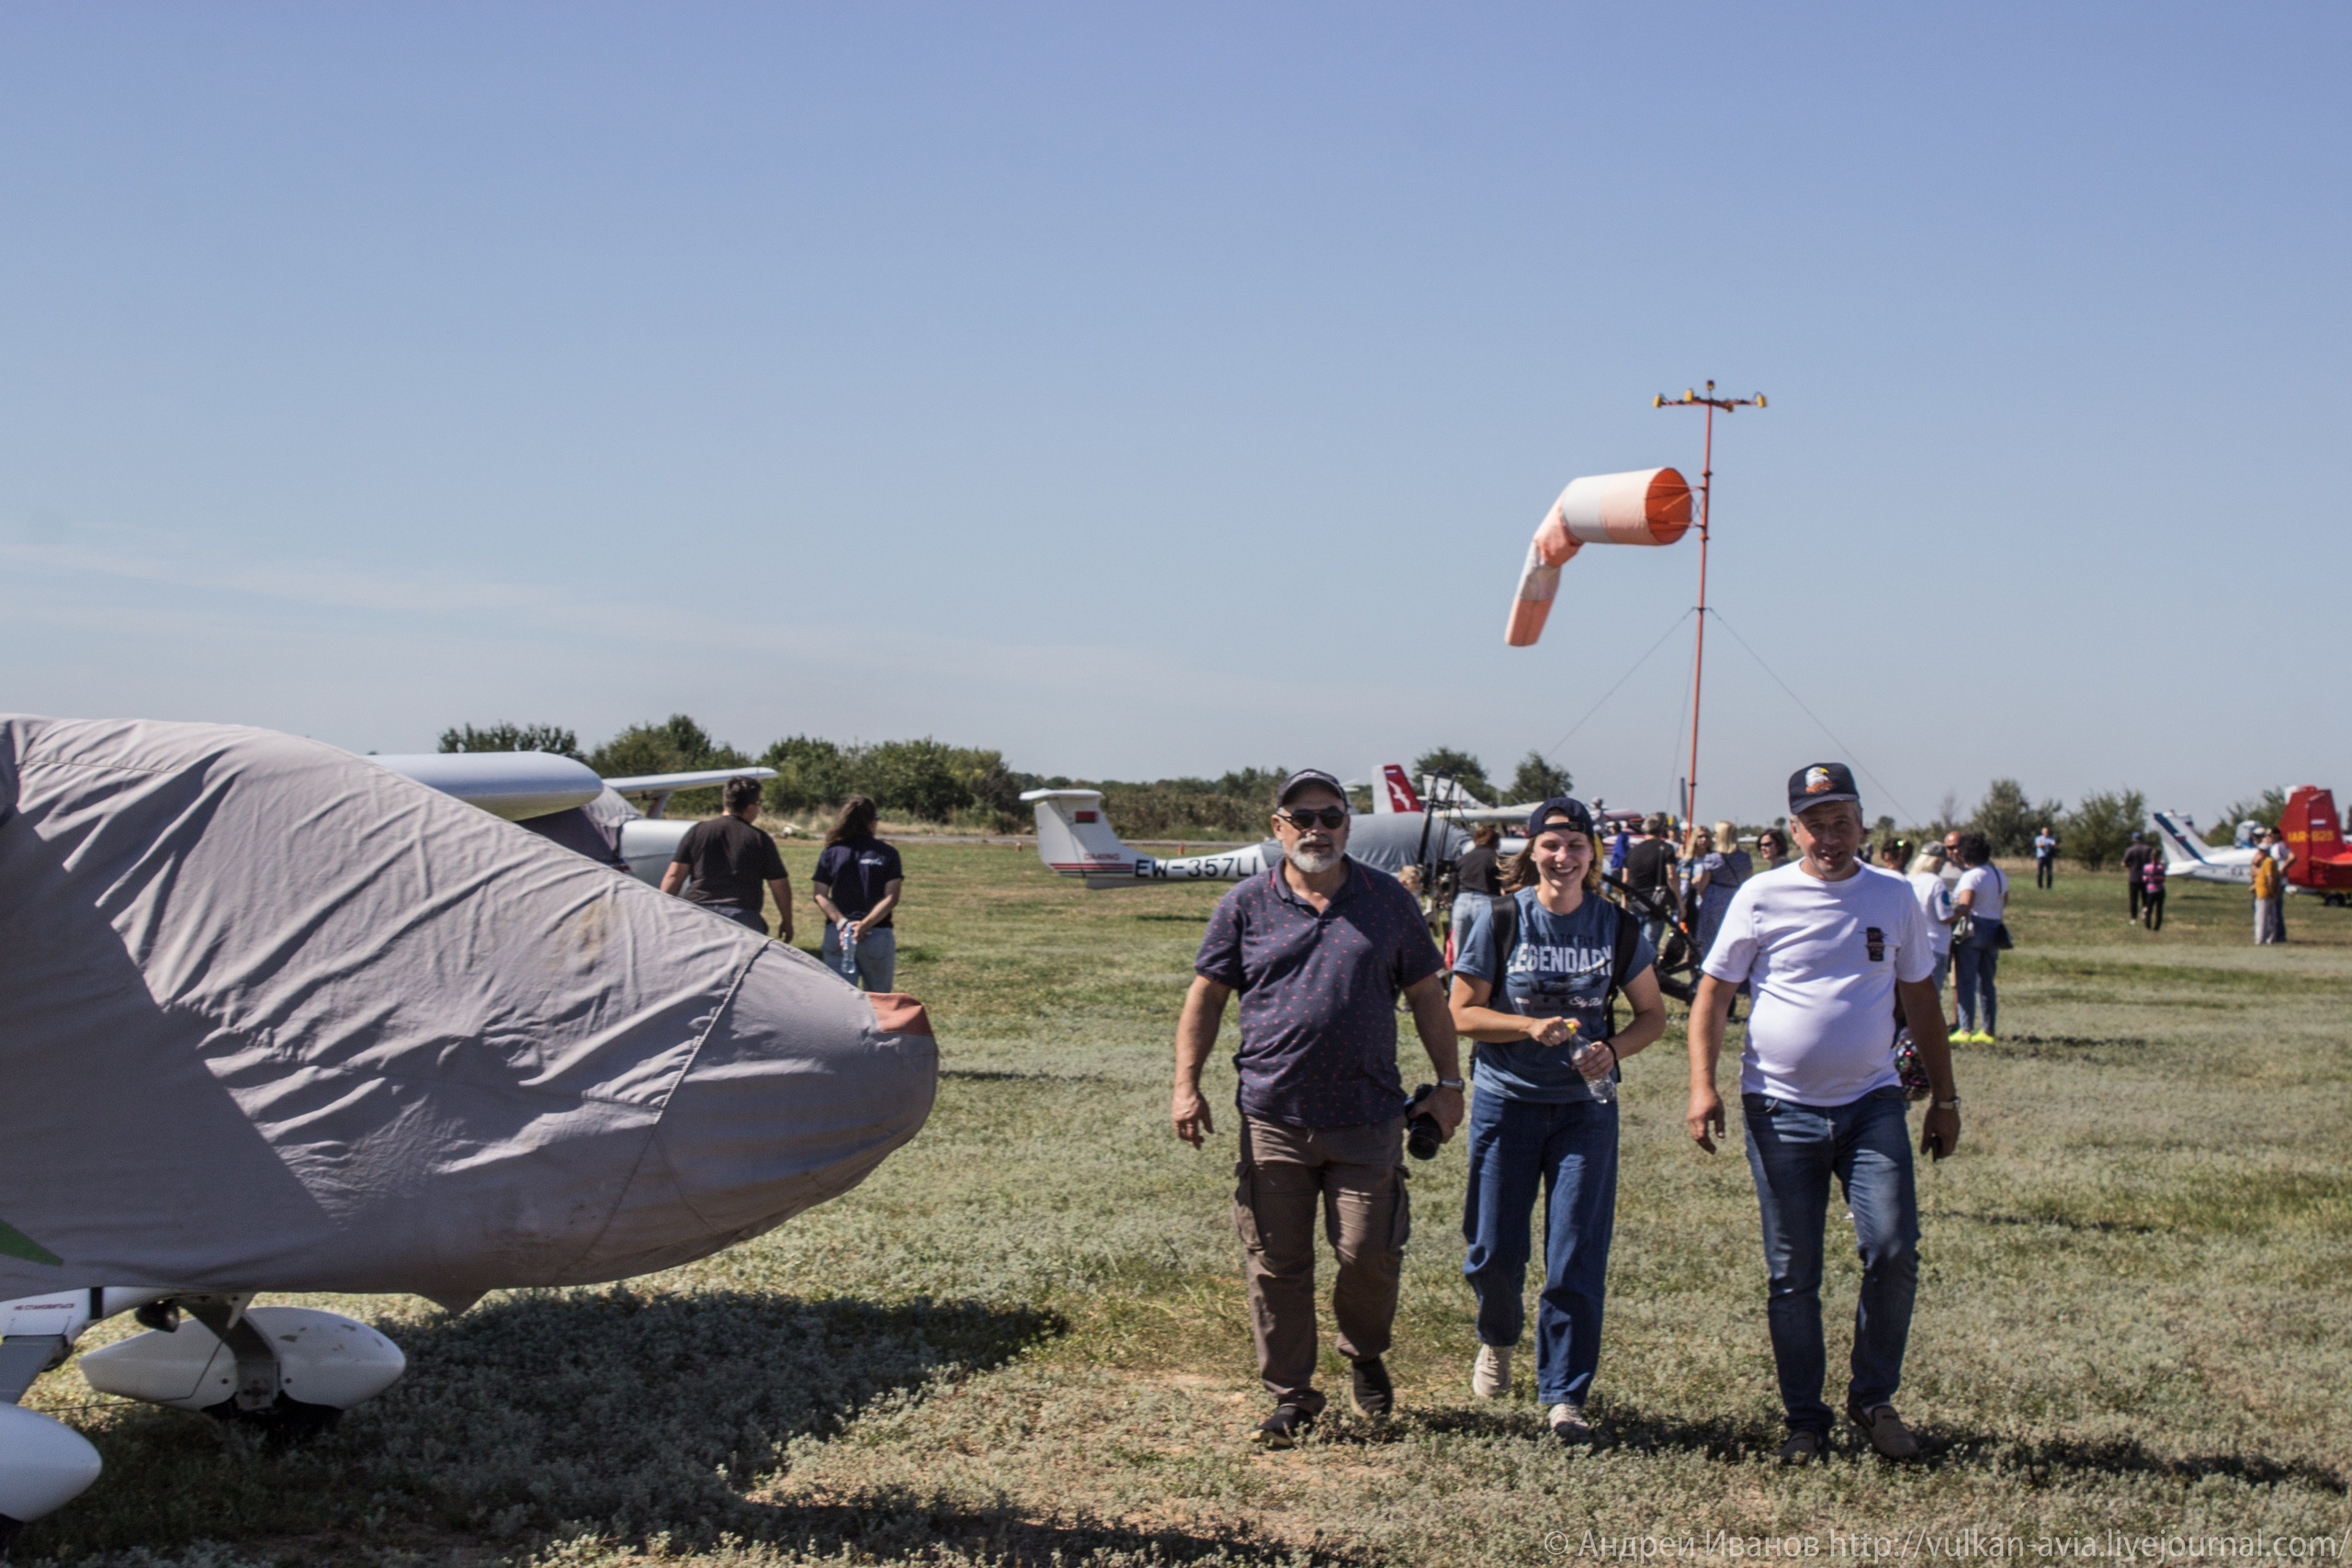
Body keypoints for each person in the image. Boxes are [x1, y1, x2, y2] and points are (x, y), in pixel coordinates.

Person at [1174, 769, 1464, 1447]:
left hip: (1368, 1115)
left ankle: (1363, 1350)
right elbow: (1207, 997)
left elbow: (1426, 994)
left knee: (1368, 1251)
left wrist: (1450, 1084)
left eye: (1330, 815)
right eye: (1300, 816)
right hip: (1274, 1113)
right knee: (1276, 1260)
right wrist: (1187, 1082)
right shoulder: (1245, 904)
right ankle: (1292, 1395)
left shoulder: (1387, 899)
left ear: (1347, 825)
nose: (1316, 828)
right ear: (1277, 825)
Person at [1686, 762, 1961, 1466]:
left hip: (1873, 1103)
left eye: (1843, 822)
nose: (1830, 837)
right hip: (1779, 1108)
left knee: (1894, 1248)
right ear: (1793, 829)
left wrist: (1947, 1097)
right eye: (1816, 824)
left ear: (1863, 824)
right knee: (1792, 1270)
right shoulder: (1760, 894)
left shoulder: (1894, 896)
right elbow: (1712, 996)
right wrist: (1702, 1086)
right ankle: (1803, 1420)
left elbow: (1923, 1002)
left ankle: (1872, 1399)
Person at [1449, 798, 1665, 1442]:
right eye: (1550, 845)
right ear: (1531, 852)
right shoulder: (1501, 917)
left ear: (1593, 854)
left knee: (1575, 1251)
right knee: (1492, 1249)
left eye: (1575, 845)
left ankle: (1565, 1395)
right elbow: (1459, 1011)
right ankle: (1498, 1334)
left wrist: (1613, 1049)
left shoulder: (1617, 927)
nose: (1562, 857)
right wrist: (1524, 1025)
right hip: (1506, 1100)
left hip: (1584, 1110)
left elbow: (1652, 1014)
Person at [660, 776, 794, 939]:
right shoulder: (759, 839)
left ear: (726, 802)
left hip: (697, 915)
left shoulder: (698, 831)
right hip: (742, 916)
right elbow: (779, 884)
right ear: (751, 807)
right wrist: (787, 920)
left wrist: (660, 912)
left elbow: (674, 876)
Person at [812, 795, 904, 991]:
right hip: (876, 935)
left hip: (838, 935)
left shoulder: (831, 852)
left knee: (839, 1003)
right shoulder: (888, 853)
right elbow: (891, 897)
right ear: (872, 821)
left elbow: (820, 894)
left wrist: (843, 923)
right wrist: (864, 925)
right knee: (879, 1002)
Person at [1949, 832, 2008, 1043]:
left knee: (1966, 981)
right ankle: (1988, 1029)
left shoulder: (1971, 876)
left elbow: (1966, 904)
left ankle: (1965, 1029)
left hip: (1974, 930)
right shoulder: (1999, 874)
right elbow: (2004, 901)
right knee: (1987, 983)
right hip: (1994, 929)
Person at [1693, 819, 1751, 964]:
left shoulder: (1713, 858)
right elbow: (1748, 879)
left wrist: (1700, 894)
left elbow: (1702, 886)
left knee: (1710, 940)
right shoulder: (1744, 857)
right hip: (1736, 897)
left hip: (1714, 899)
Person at [1905, 847, 1957, 1006]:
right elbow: (1945, 917)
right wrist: (1961, 910)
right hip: (1936, 944)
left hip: (1912, 944)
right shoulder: (1936, 883)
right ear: (1936, 862)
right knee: (1932, 994)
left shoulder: (1909, 880)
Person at [1622, 813, 1677, 953]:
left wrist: (1624, 905)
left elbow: (1625, 881)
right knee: (1650, 947)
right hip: (1655, 906)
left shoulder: (1632, 852)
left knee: (1632, 946)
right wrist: (1679, 902)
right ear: (1661, 830)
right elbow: (1671, 876)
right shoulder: (1666, 849)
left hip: (1634, 904)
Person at [1452, 824, 1504, 953]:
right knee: (1485, 950)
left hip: (1462, 902)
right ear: (1495, 842)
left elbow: (1454, 884)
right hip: (1485, 902)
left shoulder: (1462, 858)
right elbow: (1506, 884)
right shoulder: (1496, 858)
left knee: (1460, 952)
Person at [2253, 838, 2286, 943]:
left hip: (2264, 893)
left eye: (2261, 851)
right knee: (2271, 918)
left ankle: (2260, 939)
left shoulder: (2268, 861)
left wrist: (2272, 891)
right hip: (2266, 892)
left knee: (2262, 918)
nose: (2259, 852)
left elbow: (2270, 877)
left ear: (2266, 852)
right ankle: (2270, 939)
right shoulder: (2268, 862)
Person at [2120, 831, 2152, 923]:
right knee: (2145, 898)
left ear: (2133, 839)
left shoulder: (2130, 850)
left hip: (2134, 877)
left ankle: (2133, 918)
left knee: (2134, 899)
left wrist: (2131, 865)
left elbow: (2124, 863)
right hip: (2146, 877)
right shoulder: (2148, 849)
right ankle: (2145, 913)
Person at [2140, 851, 2166, 931]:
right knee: (2159, 909)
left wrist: (2149, 877)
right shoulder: (2161, 868)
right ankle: (2157, 926)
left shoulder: (2146, 867)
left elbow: (2144, 879)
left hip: (2150, 890)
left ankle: (2148, 925)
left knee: (2149, 908)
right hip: (2160, 889)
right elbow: (2163, 879)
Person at [2033, 826, 2058, 890]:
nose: (2046, 833)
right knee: (2040, 872)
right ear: (2042, 832)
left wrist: (2045, 845)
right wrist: (2047, 845)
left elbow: (2054, 845)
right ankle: (2040, 886)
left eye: (2047, 832)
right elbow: (2038, 845)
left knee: (2049, 872)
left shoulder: (2051, 839)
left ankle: (2048, 886)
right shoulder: (2038, 838)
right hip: (2041, 857)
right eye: (2045, 832)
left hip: (2049, 857)